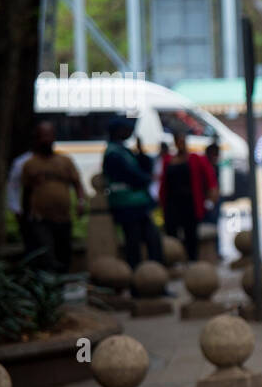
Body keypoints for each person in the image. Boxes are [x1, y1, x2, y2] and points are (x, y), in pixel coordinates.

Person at [20, 121, 87, 273]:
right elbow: (26, 192)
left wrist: (81, 202)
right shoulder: (29, 164)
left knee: (64, 253)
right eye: (42, 136)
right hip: (41, 219)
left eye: (49, 136)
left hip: (63, 218)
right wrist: (25, 217)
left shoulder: (65, 161)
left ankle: (62, 285)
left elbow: (77, 184)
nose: (46, 140)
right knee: (46, 254)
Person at [103, 116, 164, 269]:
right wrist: (147, 179)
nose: (130, 132)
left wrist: (141, 151)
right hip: (127, 206)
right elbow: (133, 175)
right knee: (134, 244)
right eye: (127, 129)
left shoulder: (122, 150)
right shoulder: (114, 153)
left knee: (152, 240)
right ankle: (138, 282)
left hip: (136, 205)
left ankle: (153, 279)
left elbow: (143, 166)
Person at [159, 129, 212, 263]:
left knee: (191, 234)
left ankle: (192, 261)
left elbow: (209, 179)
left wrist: (210, 199)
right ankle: (175, 261)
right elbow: (163, 183)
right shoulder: (168, 160)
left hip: (190, 203)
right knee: (172, 233)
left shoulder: (196, 159)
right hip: (172, 203)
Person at [202, 141, 223, 259]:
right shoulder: (207, 167)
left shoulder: (215, 167)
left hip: (213, 201)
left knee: (214, 226)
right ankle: (212, 252)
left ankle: (216, 251)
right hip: (209, 201)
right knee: (210, 226)